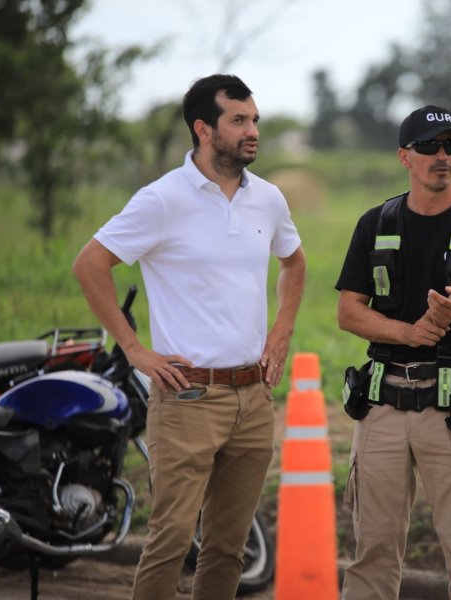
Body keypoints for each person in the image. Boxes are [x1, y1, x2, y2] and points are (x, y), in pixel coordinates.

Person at [72, 74, 306, 600]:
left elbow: (294, 262)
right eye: (239, 120)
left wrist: (282, 330)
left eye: (255, 120)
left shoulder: (267, 199)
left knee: (229, 547)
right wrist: (134, 349)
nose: (253, 131)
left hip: (253, 397)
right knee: (172, 539)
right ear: (204, 129)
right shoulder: (161, 200)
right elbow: (90, 264)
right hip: (186, 398)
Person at [335, 105, 451, 600]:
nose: (442, 157)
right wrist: (407, 332)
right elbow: (349, 312)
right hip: (382, 406)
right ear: (405, 156)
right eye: (430, 147)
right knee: (371, 552)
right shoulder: (375, 223)